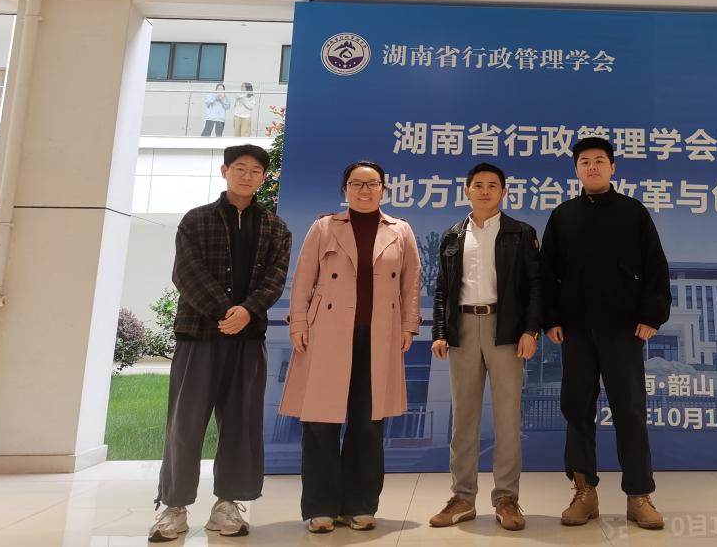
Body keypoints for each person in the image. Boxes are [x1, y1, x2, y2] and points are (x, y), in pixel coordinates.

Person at [149, 144, 292, 543]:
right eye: (240, 168)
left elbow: (276, 279)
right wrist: (226, 311)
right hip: (198, 335)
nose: (248, 176)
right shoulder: (196, 220)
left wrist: (247, 312)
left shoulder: (276, 227)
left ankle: (228, 504)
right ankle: (174, 507)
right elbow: (186, 273)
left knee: (242, 426)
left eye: (256, 171)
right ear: (225, 171)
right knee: (185, 424)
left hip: (248, 339)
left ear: (264, 177)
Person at [279, 161, 421, 533]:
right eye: (356, 183)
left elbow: (411, 284)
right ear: (345, 189)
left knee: (368, 423)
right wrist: (298, 323)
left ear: (383, 189)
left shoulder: (400, 230)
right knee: (320, 421)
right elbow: (303, 278)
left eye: (372, 184)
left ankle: (360, 504)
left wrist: (409, 326)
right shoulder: (324, 227)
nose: (364, 190)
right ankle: (321, 507)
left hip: (380, 334)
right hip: (326, 332)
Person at [540, 136, 671, 530]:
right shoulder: (563, 216)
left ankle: (639, 495)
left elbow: (655, 266)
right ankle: (584, 491)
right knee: (576, 409)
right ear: (576, 170)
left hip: (623, 329)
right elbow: (547, 273)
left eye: (599, 160)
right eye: (585, 162)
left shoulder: (633, 212)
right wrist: (551, 318)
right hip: (576, 330)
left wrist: (651, 315)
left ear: (613, 167)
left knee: (629, 410)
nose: (592, 167)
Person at [428, 163, 542, 532]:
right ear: (467, 191)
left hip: (505, 329)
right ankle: (462, 497)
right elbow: (442, 289)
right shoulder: (452, 235)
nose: (485, 191)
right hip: (462, 328)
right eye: (478, 185)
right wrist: (440, 332)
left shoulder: (520, 233)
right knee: (464, 417)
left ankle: (507, 498)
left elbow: (535, 286)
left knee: (507, 417)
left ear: (503, 192)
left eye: (493, 185)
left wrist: (530, 330)